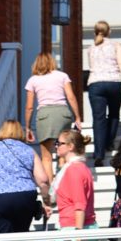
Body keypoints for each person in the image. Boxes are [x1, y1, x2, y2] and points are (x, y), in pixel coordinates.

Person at [50, 130, 98, 241]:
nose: (56, 146)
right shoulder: (82, 168)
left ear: (70, 147)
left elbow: (79, 204)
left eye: (59, 143)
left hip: (73, 229)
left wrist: (78, 235)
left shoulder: (73, 171)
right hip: (88, 227)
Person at [24, 52, 82, 184]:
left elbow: (29, 107)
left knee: (46, 157)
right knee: (64, 150)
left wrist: (27, 127)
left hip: (45, 116)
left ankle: (51, 191)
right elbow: (71, 97)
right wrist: (77, 117)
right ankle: (65, 182)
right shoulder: (62, 76)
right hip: (63, 114)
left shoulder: (33, 80)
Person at [86, 20, 121, 167]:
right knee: (114, 114)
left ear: (95, 32)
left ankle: (99, 155)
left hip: (96, 84)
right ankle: (109, 143)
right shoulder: (116, 45)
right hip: (114, 82)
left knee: (98, 119)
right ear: (109, 31)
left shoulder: (90, 48)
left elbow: (92, 66)